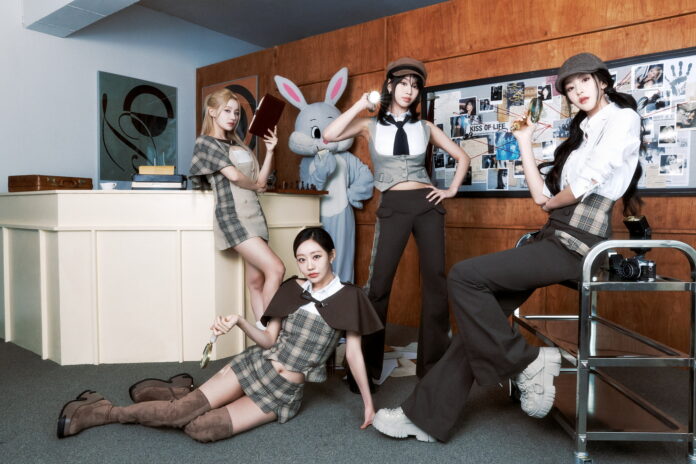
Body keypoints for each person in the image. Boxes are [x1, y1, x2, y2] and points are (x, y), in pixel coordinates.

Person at [371, 52, 643, 442]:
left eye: (583, 81)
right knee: (481, 327)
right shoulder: (582, 133)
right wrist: (525, 142)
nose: (577, 91)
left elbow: (584, 185)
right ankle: (425, 417)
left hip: (579, 242)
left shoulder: (623, 118)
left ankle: (528, 363)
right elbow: (542, 197)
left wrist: (553, 202)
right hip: (554, 233)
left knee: (463, 277)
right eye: (569, 87)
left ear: (602, 80)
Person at [56, 227, 383, 442]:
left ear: (332, 255)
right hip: (257, 365)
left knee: (201, 428)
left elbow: (354, 355)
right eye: (302, 259)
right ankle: (102, 411)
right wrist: (240, 321)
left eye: (316, 257)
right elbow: (269, 340)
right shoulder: (291, 288)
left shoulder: (350, 297)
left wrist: (368, 404)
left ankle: (179, 391)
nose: (309, 266)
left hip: (282, 392)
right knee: (180, 413)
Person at [324, 57, 471, 386]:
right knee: (378, 286)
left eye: (415, 86)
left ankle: (433, 368)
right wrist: (360, 104)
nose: (409, 90)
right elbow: (329, 136)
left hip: (427, 204)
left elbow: (462, 157)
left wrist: (450, 190)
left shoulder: (426, 127)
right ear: (389, 85)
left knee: (435, 283)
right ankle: (366, 371)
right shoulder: (370, 125)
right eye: (403, 83)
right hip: (393, 204)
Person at [189, 89, 285, 326]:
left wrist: (270, 151)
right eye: (227, 111)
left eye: (237, 113)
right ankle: (272, 335)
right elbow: (233, 176)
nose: (233, 117)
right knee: (276, 268)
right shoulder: (205, 143)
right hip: (233, 217)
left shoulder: (238, 144)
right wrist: (256, 185)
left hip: (255, 216)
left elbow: (260, 181)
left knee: (256, 282)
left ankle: (264, 335)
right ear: (212, 112)